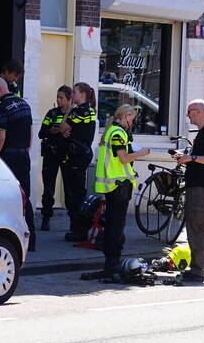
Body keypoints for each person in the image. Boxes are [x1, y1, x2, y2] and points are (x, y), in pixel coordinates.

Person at [94, 104, 149, 280]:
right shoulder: (118, 133)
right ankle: (113, 263)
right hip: (119, 185)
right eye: (131, 118)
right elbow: (123, 158)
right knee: (116, 226)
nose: (132, 122)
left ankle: (110, 263)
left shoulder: (110, 131)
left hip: (112, 186)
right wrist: (141, 153)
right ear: (125, 116)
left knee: (112, 225)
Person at [175, 100, 204, 283]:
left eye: (189, 112)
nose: (188, 115)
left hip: (201, 189)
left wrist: (191, 157)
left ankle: (199, 270)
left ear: (198, 112)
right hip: (197, 186)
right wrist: (186, 158)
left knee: (197, 228)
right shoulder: (203, 132)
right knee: (196, 228)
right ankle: (201, 267)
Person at [0, 76, 37, 251]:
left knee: (9, 197)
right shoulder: (24, 104)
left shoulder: (2, 107)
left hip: (9, 157)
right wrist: (25, 149)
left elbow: (1, 136)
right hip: (23, 155)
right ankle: (31, 238)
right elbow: (30, 131)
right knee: (25, 197)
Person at [62, 82, 99, 242]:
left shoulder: (81, 111)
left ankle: (79, 230)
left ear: (82, 94)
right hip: (78, 154)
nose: (73, 96)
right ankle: (76, 228)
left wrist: (68, 111)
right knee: (74, 191)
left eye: (75, 92)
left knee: (75, 194)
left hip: (78, 155)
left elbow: (63, 127)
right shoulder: (87, 111)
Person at [39, 85, 73, 231]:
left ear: (69, 99)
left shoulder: (74, 115)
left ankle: (73, 221)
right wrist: (58, 130)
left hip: (67, 155)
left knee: (69, 189)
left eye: (62, 98)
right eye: (57, 97)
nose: (58, 100)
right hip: (51, 154)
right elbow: (42, 132)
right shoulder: (52, 113)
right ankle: (46, 218)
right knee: (48, 188)